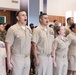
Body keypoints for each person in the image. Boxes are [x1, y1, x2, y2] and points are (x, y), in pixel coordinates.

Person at [5, 10, 32, 75]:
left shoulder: (28, 29)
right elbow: (8, 46)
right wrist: (8, 62)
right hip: (17, 58)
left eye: (26, 15)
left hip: (27, 58)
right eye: (23, 15)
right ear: (18, 18)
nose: (25, 17)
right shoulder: (12, 29)